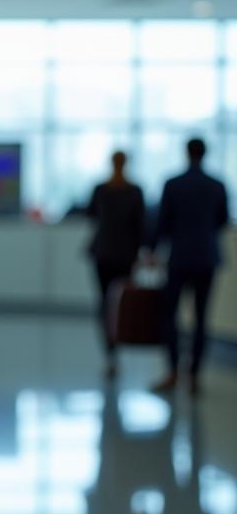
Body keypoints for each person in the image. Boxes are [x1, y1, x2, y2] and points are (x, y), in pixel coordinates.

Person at [149, 138, 230, 395]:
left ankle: (173, 371)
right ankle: (194, 375)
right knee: (201, 317)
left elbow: (162, 223)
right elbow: (222, 220)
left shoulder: (173, 184)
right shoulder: (217, 185)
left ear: (186, 153)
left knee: (168, 315)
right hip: (206, 257)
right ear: (205, 154)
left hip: (180, 258)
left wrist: (151, 250)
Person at [86, 150, 145, 378]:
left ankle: (110, 353)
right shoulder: (134, 191)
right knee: (120, 305)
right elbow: (140, 226)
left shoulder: (101, 190)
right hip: (125, 255)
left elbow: (91, 215)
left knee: (104, 302)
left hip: (103, 252)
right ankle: (118, 344)